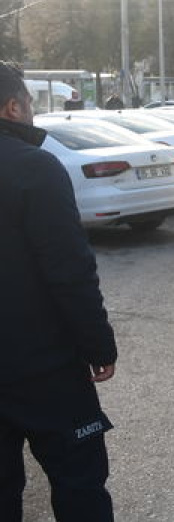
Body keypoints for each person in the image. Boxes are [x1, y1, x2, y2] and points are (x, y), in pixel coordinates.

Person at [0, 62, 118, 520]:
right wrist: (98, 345)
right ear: (14, 106)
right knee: (80, 484)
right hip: (43, 366)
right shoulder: (33, 168)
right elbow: (69, 272)